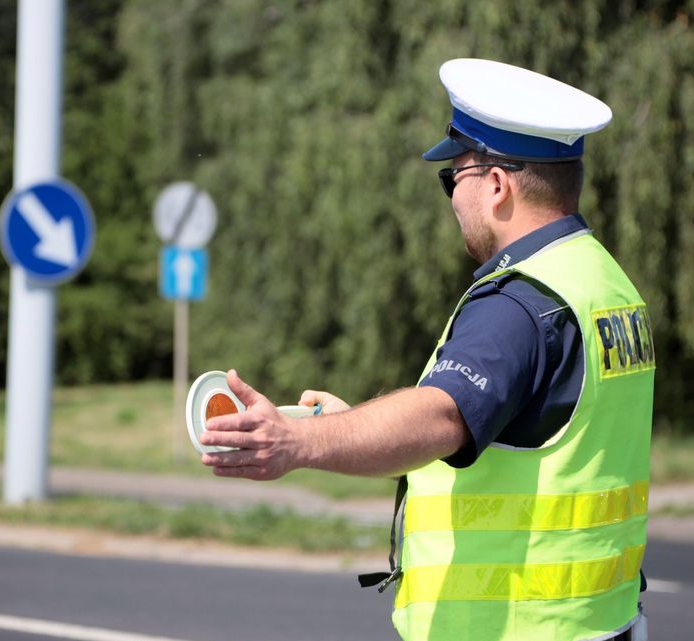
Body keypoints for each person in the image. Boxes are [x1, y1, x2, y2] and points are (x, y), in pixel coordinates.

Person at [199, 58, 654, 641]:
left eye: (453, 178)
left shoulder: (517, 304)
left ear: (496, 185)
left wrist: (297, 441)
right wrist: (350, 424)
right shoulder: (605, 283)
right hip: (601, 623)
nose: (452, 200)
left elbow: (441, 413)